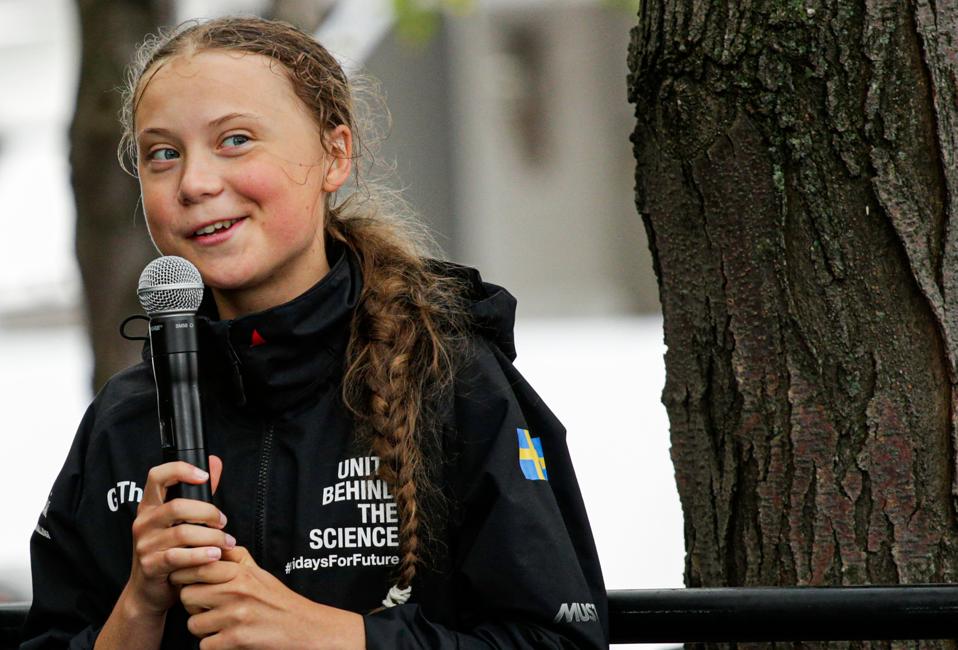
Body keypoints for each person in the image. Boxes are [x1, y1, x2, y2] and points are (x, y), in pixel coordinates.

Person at [21, 16, 608, 649]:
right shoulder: (124, 417)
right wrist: (140, 603)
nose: (194, 183)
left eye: (236, 140)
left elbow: (562, 639)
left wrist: (341, 638)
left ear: (335, 155)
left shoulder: (450, 375)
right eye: (162, 154)